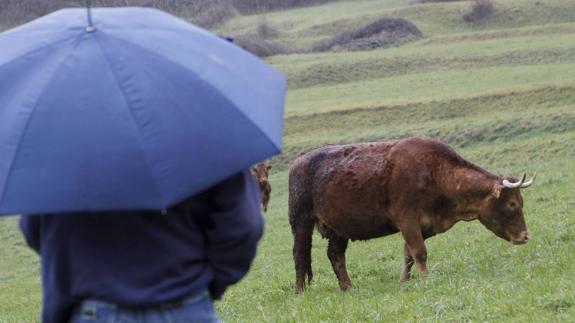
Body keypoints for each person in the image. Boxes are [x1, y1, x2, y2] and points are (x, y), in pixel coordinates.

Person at [20, 169, 263, 323]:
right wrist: (205, 284)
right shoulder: (201, 124)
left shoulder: (58, 140)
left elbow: (34, 230)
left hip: (91, 308)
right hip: (185, 303)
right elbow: (243, 225)